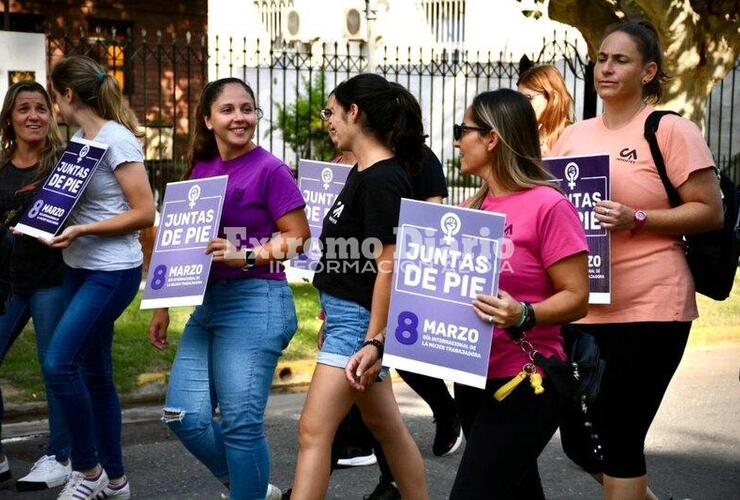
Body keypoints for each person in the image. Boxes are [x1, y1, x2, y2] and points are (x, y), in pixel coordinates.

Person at [550, 20, 723, 500]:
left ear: (648, 72)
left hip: (651, 307)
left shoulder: (670, 130)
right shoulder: (572, 137)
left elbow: (710, 211)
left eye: (620, 60)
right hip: (584, 305)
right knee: (582, 443)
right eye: (602, 58)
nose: (605, 68)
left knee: (621, 438)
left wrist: (637, 218)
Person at [148, 77, 309, 500]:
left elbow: (299, 237)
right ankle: (250, 487)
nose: (240, 117)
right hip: (209, 305)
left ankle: (247, 491)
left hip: (257, 300)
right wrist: (162, 305)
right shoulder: (201, 170)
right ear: (208, 119)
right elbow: (177, 242)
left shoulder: (269, 169)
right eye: (228, 110)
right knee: (182, 415)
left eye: (247, 109)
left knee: (240, 425)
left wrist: (248, 254)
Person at [289, 73, 428, 500]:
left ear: (354, 112)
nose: (326, 119)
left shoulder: (382, 178)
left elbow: (389, 266)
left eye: (331, 111)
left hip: (360, 326)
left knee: (315, 432)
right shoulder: (364, 172)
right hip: (349, 319)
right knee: (387, 428)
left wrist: (374, 340)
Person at [448, 88, 590, 499]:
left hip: (527, 381)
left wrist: (523, 314)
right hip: (473, 376)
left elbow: (577, 297)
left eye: (464, 130)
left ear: (492, 139)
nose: (458, 140)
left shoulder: (549, 206)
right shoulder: (470, 209)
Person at [42, 55, 156, 500]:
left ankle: (87, 470)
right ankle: (117, 480)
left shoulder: (118, 142)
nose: (55, 106)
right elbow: (77, 202)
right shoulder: (78, 139)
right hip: (78, 267)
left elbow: (144, 212)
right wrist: (40, 220)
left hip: (112, 272)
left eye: (54, 97)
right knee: (95, 373)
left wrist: (83, 229)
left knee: (58, 363)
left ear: (68, 95)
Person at [0, 81, 72, 491]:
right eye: (24, 108)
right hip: (6, 282)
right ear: (10, 117)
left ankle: (60, 455)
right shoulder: (0, 164)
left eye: (41, 108)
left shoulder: (64, 165)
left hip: (51, 280)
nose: (33, 116)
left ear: (51, 115)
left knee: (54, 367)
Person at [516, 64, 574, 155]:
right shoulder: (519, 135)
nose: (521, 105)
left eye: (528, 98)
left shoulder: (572, 135)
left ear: (551, 98)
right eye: (519, 99)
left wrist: (549, 161)